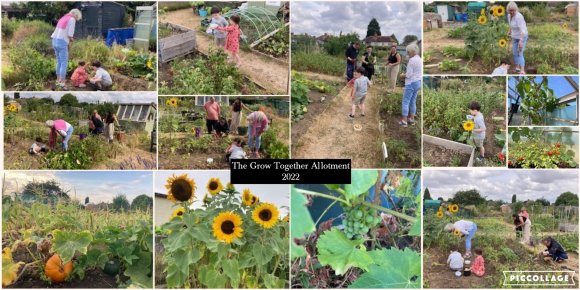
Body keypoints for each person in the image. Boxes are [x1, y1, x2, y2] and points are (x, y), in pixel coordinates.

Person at [51, 9, 82, 89]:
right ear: (75, 15)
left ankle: (58, 80)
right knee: (64, 63)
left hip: (54, 40)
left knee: (59, 61)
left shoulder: (63, 18)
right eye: (77, 18)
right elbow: (70, 34)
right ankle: (63, 82)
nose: (76, 19)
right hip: (61, 42)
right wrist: (71, 40)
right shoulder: (72, 19)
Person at [399, 44, 422, 127]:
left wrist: (402, 75)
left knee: (405, 101)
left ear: (413, 51)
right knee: (413, 101)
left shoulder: (412, 60)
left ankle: (404, 121)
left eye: (408, 52)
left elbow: (408, 75)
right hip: (418, 82)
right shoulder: (420, 59)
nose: (407, 53)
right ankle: (411, 119)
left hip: (411, 83)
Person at [507, 1, 528, 74]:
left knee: (520, 52)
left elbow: (523, 30)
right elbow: (511, 24)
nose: (512, 12)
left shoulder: (519, 17)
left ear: (516, 9)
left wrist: (521, 41)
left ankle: (522, 70)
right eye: (510, 10)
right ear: (508, 10)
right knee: (514, 52)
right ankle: (517, 67)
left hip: (522, 36)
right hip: (514, 37)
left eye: (513, 10)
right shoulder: (509, 16)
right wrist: (509, 31)